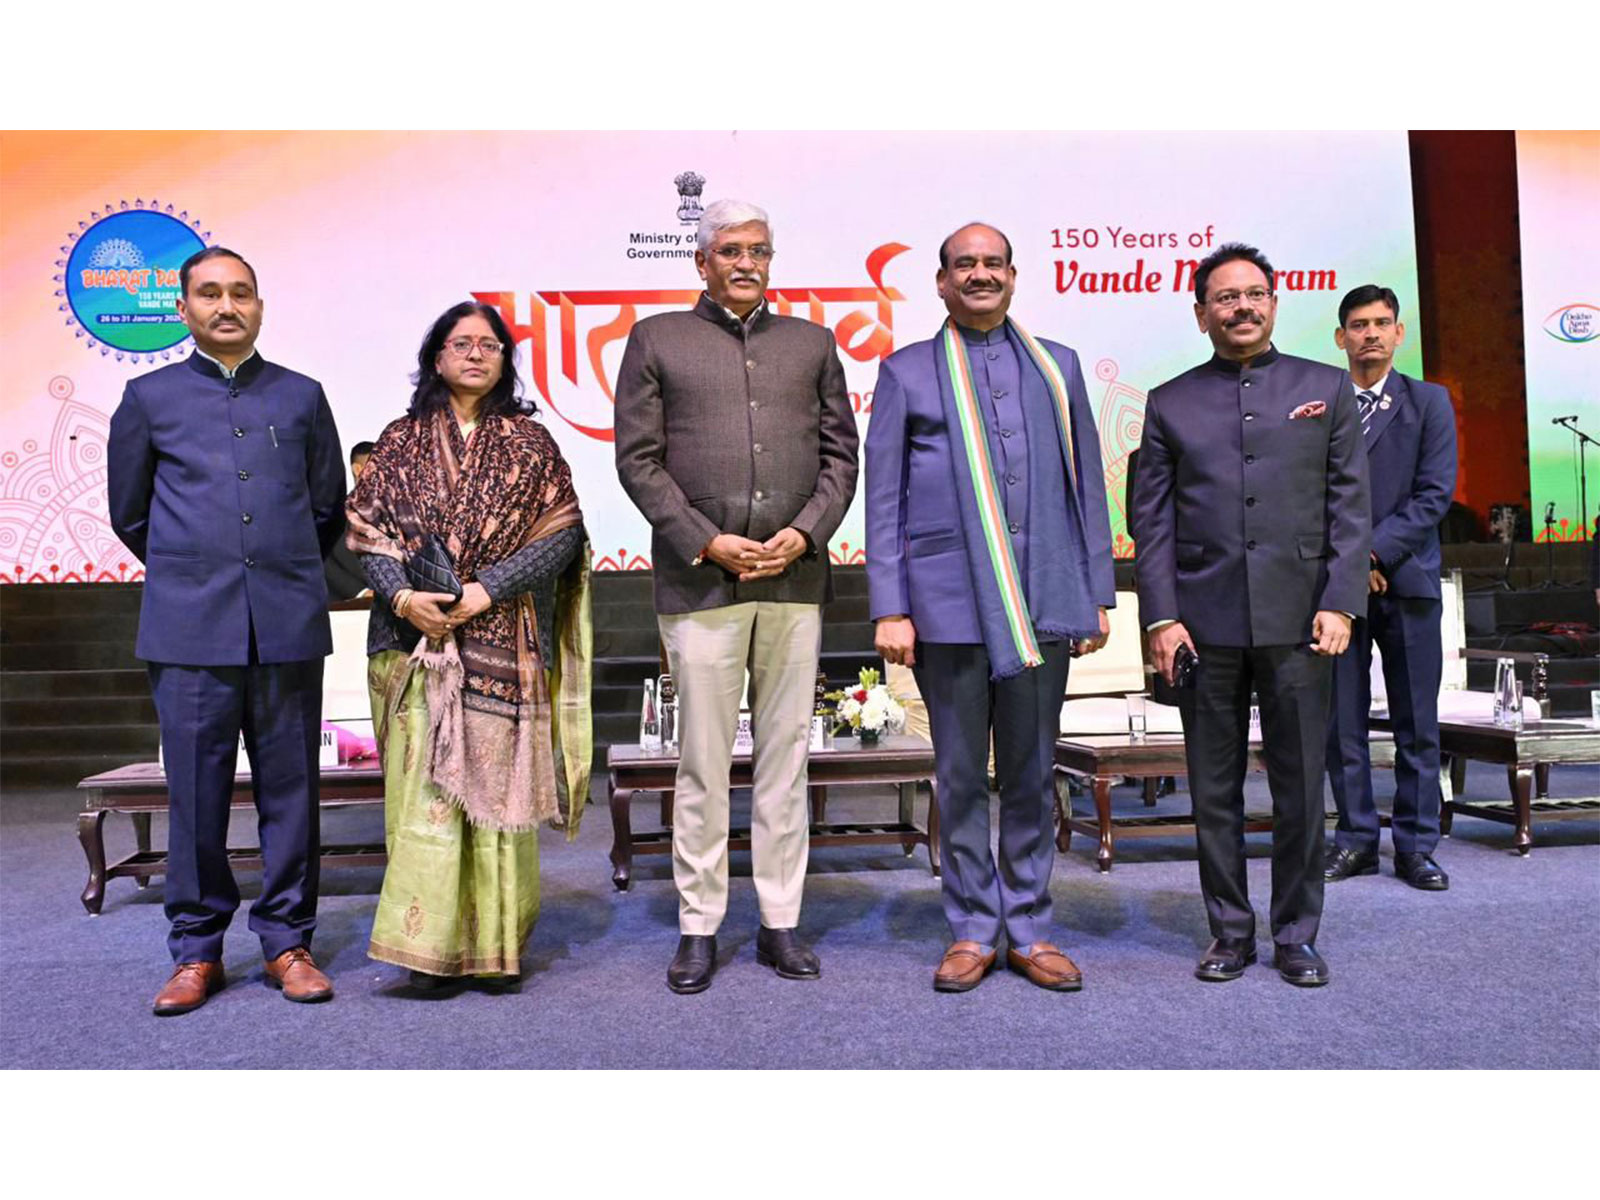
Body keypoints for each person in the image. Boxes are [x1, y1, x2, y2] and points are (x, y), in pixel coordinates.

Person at [615, 198, 859, 994]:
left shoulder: (813, 343)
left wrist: (808, 531)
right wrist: (704, 539)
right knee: (702, 763)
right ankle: (698, 927)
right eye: (729, 251)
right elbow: (639, 461)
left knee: (786, 758)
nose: (745, 262)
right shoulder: (659, 338)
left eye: (758, 249)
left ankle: (780, 920)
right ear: (701, 262)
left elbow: (840, 456)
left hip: (795, 577)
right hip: (700, 580)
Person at [866, 222, 1114, 992]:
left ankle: (1031, 926)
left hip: (1043, 597)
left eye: (993, 263)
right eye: (964, 265)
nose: (980, 274)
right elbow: (885, 499)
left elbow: (1089, 486)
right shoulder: (908, 372)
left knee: (1036, 771)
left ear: (1015, 275)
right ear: (940, 283)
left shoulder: (1057, 366)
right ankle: (974, 926)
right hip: (946, 605)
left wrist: (1096, 591)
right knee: (963, 772)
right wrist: (891, 606)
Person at [107, 246, 346, 1015]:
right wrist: (200, 569)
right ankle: (196, 951)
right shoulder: (148, 398)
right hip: (189, 630)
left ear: (260, 307)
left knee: (291, 793)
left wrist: (265, 570)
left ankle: (287, 941)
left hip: (285, 624)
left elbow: (325, 508)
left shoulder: (303, 397)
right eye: (209, 294)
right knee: (198, 797)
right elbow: (131, 514)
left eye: (241, 293)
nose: (226, 305)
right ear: (183, 309)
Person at [1131, 242, 1370, 987]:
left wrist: (1340, 600)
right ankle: (1229, 931)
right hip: (1203, 626)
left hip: (1303, 621)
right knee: (1214, 787)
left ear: (1275, 301)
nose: (1242, 306)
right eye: (1225, 297)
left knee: (1302, 786)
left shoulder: (1324, 388)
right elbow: (1154, 520)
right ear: (1201, 312)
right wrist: (1161, 618)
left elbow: (1349, 510)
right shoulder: (1170, 400)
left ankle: (1296, 933)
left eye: (1255, 294)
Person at [346, 301, 591, 989]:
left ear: (505, 360)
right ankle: (424, 949)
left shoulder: (530, 445)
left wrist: (485, 589)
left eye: (490, 345)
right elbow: (367, 531)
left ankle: (493, 950)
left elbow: (561, 532)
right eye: (462, 343)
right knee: (423, 796)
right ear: (436, 357)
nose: (477, 355)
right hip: (410, 644)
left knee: (494, 795)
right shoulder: (398, 442)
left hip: (499, 639)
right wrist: (403, 598)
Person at [1324, 286, 1457, 890]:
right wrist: (1350, 564)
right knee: (1341, 723)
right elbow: (1308, 496)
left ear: (1400, 333)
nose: (1370, 334)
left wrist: (1371, 552)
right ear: (1340, 337)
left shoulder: (1430, 402)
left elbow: (1434, 495)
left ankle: (1415, 845)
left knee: (1416, 724)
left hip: (1407, 583)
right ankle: (1354, 840)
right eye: (1358, 325)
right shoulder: (1321, 404)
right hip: (1336, 592)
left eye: (1381, 323)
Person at [323, 441, 375, 601]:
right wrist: (361, 593)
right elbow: (323, 561)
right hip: (347, 613)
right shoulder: (332, 514)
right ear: (358, 470)